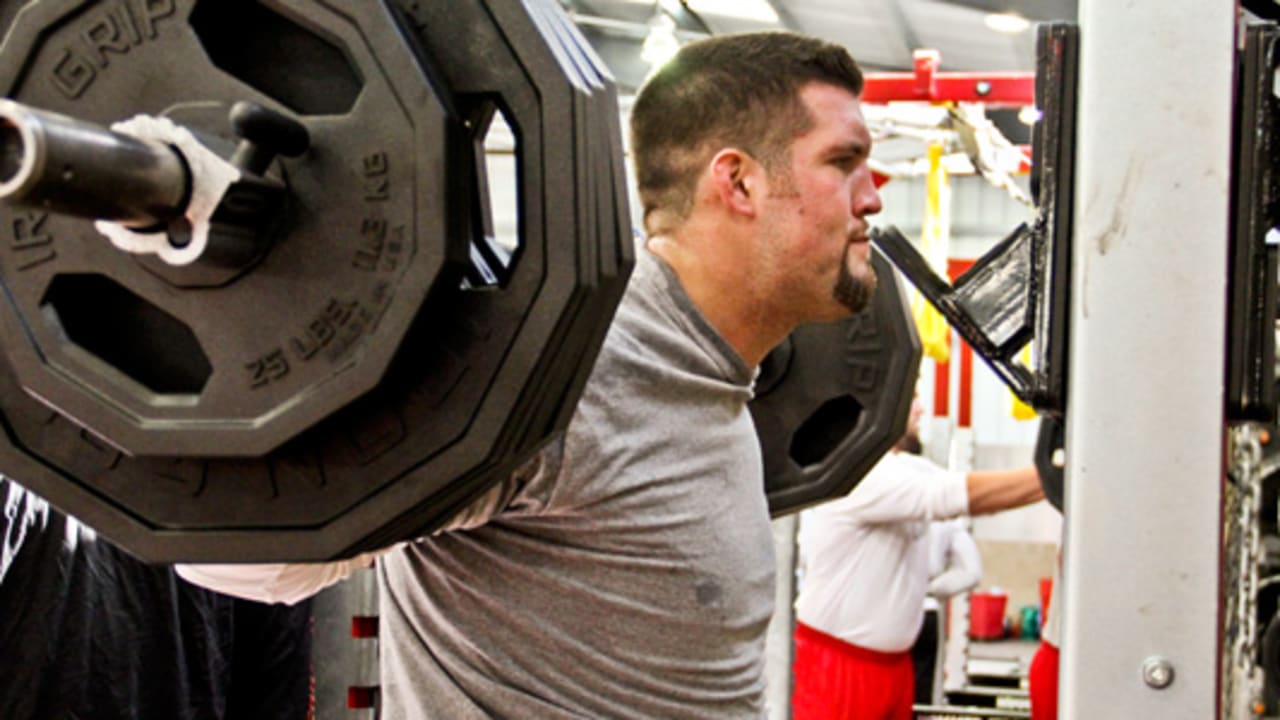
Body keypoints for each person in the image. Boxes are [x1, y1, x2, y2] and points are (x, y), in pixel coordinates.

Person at [178, 30, 885, 718]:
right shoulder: (566, 372)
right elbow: (243, 560)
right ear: (738, 182)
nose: (873, 197)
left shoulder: (717, 375)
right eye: (843, 162)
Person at [791, 401, 1044, 720]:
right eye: (910, 399)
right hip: (839, 666)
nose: (921, 410)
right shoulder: (859, 473)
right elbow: (953, 497)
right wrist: (1050, 476)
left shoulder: (910, 469)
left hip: (894, 666)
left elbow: (977, 499)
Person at [910, 517, 983, 704]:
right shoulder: (948, 515)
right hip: (927, 608)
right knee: (921, 701)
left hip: (885, 612)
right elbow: (972, 572)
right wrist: (933, 589)